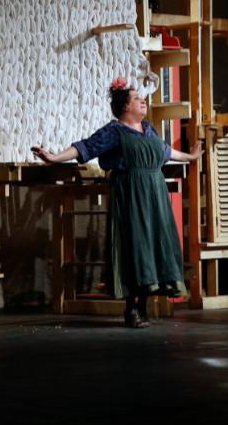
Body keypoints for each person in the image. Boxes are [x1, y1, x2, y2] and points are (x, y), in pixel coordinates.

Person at [32, 76, 203, 328]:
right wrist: (55, 157)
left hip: (155, 195)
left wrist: (191, 156)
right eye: (137, 98)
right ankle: (131, 308)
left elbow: (166, 152)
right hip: (131, 194)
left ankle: (143, 305)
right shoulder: (114, 131)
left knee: (154, 246)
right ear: (125, 106)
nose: (143, 101)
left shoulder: (149, 130)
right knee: (135, 247)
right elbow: (85, 147)